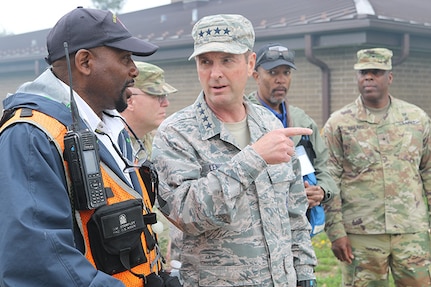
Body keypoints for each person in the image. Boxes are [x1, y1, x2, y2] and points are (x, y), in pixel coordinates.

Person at [0, 7, 170, 287]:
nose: (134, 70)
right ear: (85, 62)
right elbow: (37, 264)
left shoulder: (108, 126)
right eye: (125, 57)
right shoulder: (31, 137)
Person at [152, 14, 317, 287]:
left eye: (227, 60)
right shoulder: (177, 133)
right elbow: (184, 215)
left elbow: (294, 211)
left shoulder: (269, 124)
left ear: (250, 63)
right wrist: (253, 159)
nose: (215, 73)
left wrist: (305, 272)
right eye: (206, 62)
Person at [322, 47, 431, 286]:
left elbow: (428, 172)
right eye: (363, 72)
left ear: (389, 77)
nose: (368, 77)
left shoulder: (416, 119)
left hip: (410, 230)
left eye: (376, 72)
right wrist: (336, 232)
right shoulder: (339, 123)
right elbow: (329, 179)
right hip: (361, 235)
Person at [247, 43, 338, 236]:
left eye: (286, 73)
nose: (281, 80)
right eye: (273, 73)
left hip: (300, 229)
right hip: (258, 230)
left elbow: (325, 168)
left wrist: (321, 191)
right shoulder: (243, 117)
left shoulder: (302, 121)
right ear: (256, 76)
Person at [121, 61, 178, 158]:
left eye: (165, 96)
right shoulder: (107, 144)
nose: (166, 103)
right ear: (129, 100)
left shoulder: (159, 145)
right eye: (159, 96)